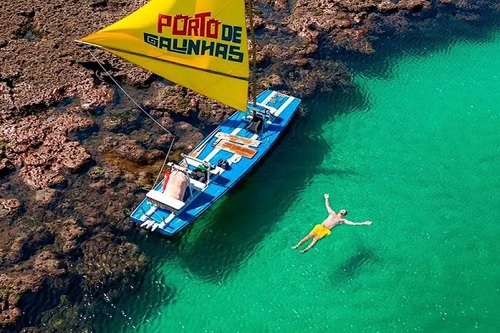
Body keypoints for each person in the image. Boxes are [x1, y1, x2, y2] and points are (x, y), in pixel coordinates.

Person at [292, 194, 372, 253]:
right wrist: (326, 198)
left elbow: (353, 223)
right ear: (340, 210)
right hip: (320, 226)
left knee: (315, 240)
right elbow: (328, 206)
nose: (343, 211)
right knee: (308, 236)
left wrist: (364, 223)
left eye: (344, 212)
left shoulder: (342, 220)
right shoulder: (332, 213)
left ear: (344, 215)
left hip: (325, 230)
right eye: (343, 210)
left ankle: (305, 249)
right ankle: (297, 245)